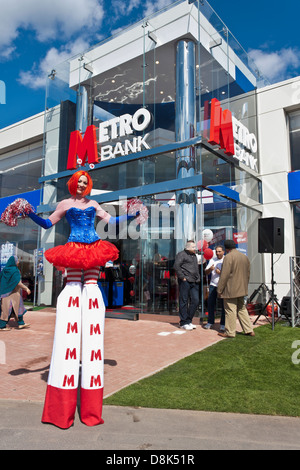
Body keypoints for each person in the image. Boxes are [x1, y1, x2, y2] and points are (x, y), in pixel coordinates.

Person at [14, 170, 137, 429]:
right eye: (78, 182)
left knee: (91, 285)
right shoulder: (64, 204)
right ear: (73, 184)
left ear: (87, 185)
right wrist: (30, 214)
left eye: (85, 182)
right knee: (72, 286)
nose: (81, 185)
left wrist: (134, 215)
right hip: (72, 248)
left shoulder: (93, 204)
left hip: (93, 246)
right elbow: (48, 224)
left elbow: (111, 222)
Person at [217, 239, 254, 338]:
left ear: (226, 248)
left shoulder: (228, 257)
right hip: (242, 288)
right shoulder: (244, 257)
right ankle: (249, 329)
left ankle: (230, 332)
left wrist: (219, 289)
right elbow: (248, 274)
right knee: (242, 309)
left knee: (230, 310)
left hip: (231, 289)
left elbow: (224, 275)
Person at [0, 256, 31, 331]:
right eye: (17, 261)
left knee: (6, 309)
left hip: (4, 293)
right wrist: (26, 288)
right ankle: (2, 326)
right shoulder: (15, 270)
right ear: (14, 262)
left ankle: (20, 323)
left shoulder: (4, 270)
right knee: (18, 308)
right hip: (14, 293)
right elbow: (18, 283)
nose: (18, 262)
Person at [174, 240, 199, 330]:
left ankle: (189, 320)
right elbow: (176, 266)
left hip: (194, 281)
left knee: (195, 300)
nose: (195, 248)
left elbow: (196, 267)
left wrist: (198, 278)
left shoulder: (194, 256)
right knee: (184, 300)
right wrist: (182, 277)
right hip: (185, 281)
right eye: (193, 247)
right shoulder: (181, 254)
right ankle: (183, 322)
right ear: (187, 247)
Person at [204, 245, 225, 331]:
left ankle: (223, 324)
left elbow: (229, 273)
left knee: (224, 305)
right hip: (213, 285)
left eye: (219, 251)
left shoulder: (226, 260)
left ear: (223, 252)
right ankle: (210, 322)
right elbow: (206, 272)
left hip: (223, 285)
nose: (217, 253)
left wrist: (220, 273)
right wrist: (210, 269)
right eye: (216, 251)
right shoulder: (212, 260)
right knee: (211, 304)